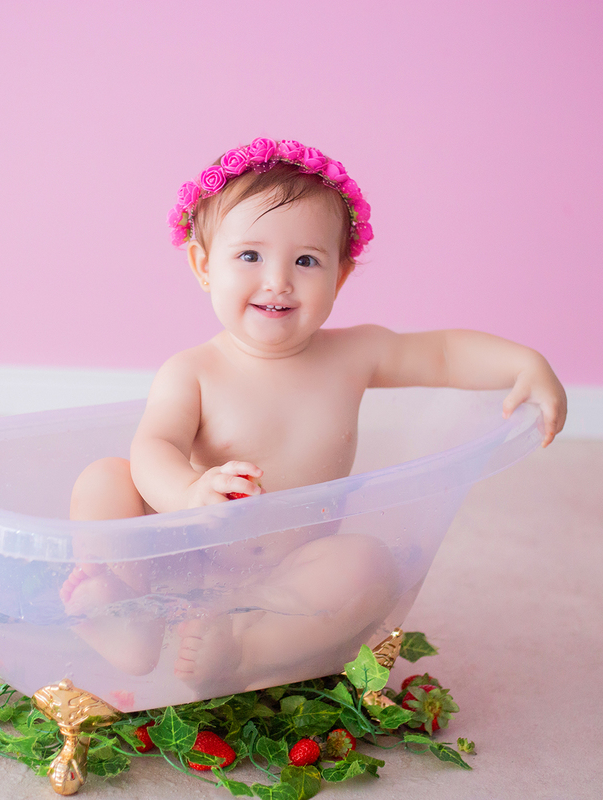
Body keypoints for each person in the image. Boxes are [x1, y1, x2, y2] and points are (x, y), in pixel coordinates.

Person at [60, 138, 567, 695]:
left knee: (368, 566)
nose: (277, 280)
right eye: (250, 256)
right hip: (183, 562)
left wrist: (525, 362)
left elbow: (442, 353)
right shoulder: (194, 371)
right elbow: (154, 446)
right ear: (204, 265)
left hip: (285, 580)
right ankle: (127, 615)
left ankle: (244, 649)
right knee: (104, 479)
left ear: (339, 278)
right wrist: (187, 494)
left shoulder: (353, 355)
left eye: (305, 261)